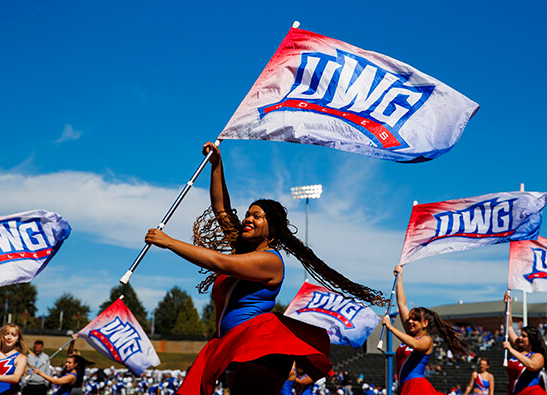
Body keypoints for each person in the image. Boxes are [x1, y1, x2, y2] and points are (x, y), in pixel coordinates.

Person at [144, 142, 387, 395]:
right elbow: (221, 209)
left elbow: (219, 262)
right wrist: (217, 165)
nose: (247, 219)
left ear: (271, 228)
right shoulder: (244, 250)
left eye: (256, 216)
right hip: (232, 344)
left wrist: (170, 242)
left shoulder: (270, 261)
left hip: (262, 348)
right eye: (248, 214)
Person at [381, 265, 468, 395]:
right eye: (410, 318)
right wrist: (399, 278)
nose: (410, 321)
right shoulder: (410, 334)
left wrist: (391, 327)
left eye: (415, 319)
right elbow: (402, 304)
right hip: (405, 386)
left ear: (425, 323)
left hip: (417, 387)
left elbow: (414, 344)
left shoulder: (426, 340)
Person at [503, 291, 547, 395]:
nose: (520, 338)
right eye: (520, 335)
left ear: (531, 339)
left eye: (524, 336)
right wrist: (508, 305)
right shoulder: (518, 347)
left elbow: (532, 365)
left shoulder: (538, 356)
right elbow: (508, 327)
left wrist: (511, 350)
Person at [0, 323, 28, 395]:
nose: (9, 337)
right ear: (1, 336)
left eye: (13, 335)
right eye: (6, 334)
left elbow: (16, 378)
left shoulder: (20, 357)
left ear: (18, 339)